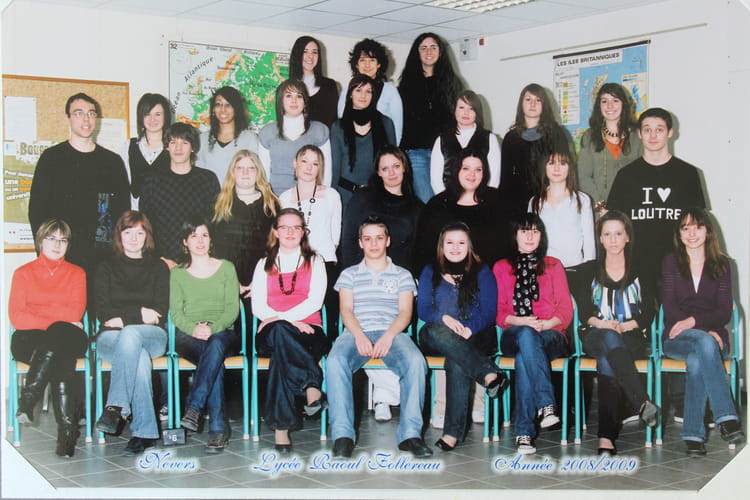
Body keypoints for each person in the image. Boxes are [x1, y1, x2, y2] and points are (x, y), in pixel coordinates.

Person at [327, 216, 431, 459]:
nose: (373, 244)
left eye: (379, 238)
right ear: (360, 242)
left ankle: (410, 435)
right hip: (356, 331)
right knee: (335, 361)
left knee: (416, 362)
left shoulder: (402, 275)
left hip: (393, 331)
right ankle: (343, 436)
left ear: (388, 241)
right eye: (368, 239)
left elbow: (405, 313)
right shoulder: (349, 274)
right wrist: (359, 335)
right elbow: (346, 311)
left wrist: (388, 336)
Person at [571, 210, 658, 455]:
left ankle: (606, 437)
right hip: (596, 333)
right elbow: (584, 312)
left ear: (627, 237)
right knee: (609, 338)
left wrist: (625, 326)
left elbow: (648, 313)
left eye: (618, 234)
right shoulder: (589, 270)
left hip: (631, 335)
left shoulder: (642, 270)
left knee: (608, 360)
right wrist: (603, 324)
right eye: (607, 234)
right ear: (600, 239)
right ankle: (640, 399)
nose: (613, 240)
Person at [661, 208, 745, 456]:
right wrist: (704, 330)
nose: (691, 233)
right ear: (679, 234)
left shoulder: (723, 264)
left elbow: (724, 312)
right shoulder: (671, 261)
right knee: (704, 343)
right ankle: (727, 418)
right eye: (685, 228)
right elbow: (670, 309)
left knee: (698, 358)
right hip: (677, 338)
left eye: (697, 227)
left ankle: (693, 436)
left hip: (714, 339)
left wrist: (696, 322)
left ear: (708, 231)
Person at [417, 222, 508, 451]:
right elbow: (423, 310)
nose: (455, 248)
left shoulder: (482, 271)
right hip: (438, 334)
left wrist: (469, 328)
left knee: (456, 359)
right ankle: (488, 372)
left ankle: (452, 433)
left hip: (474, 335)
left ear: (469, 246)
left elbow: (489, 311)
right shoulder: (430, 270)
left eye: (461, 243)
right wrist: (444, 318)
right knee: (432, 330)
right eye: (450, 242)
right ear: (442, 245)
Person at [492, 213, 573, 455]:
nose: (530, 236)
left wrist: (545, 325)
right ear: (514, 235)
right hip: (514, 332)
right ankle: (546, 404)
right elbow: (498, 311)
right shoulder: (501, 267)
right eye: (524, 231)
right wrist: (521, 321)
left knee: (524, 356)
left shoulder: (554, 265)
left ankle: (524, 434)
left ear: (542, 236)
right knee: (526, 335)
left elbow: (565, 310)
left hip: (551, 334)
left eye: (535, 231)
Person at [251, 208, 330, 452]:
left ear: (303, 232)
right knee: (281, 334)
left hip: (309, 332)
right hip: (272, 332)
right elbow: (258, 306)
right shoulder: (263, 263)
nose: (290, 232)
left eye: (296, 227)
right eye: (284, 227)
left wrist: (282, 320)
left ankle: (281, 430)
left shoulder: (315, 261)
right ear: (275, 232)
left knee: (281, 354)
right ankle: (311, 385)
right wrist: (288, 322)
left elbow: (315, 301)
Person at [28, 93, 130, 279]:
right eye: (78, 113)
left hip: (103, 262)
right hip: (62, 258)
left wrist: (119, 258)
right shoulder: (52, 159)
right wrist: (47, 256)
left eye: (91, 113)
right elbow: (37, 211)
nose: (86, 119)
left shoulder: (112, 162)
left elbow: (123, 214)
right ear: (67, 118)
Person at [9, 219, 88, 457]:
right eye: (51, 238)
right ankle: (67, 431)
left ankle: (28, 399)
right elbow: (18, 318)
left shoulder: (77, 273)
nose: (57, 244)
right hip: (30, 340)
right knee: (58, 349)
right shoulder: (23, 273)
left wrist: (40, 316)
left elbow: (74, 313)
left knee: (58, 339)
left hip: (69, 337)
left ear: (68, 245)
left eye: (63, 240)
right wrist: (57, 319)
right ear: (40, 241)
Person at [94, 211, 169, 455]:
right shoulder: (105, 267)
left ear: (147, 236)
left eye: (139, 232)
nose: (134, 238)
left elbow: (159, 311)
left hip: (152, 336)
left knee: (130, 334)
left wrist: (124, 318)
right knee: (138, 358)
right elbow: (103, 311)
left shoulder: (158, 267)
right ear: (119, 235)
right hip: (111, 339)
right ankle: (144, 433)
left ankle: (115, 407)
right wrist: (139, 313)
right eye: (128, 232)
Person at [606, 107, 707, 291]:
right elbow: (614, 223)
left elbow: (699, 223)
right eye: (647, 130)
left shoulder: (688, 174)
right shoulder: (625, 175)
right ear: (639, 134)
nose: (653, 135)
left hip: (678, 264)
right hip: (635, 265)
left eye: (659, 129)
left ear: (670, 133)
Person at [172, 217, 240, 453]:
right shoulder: (178, 274)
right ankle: (218, 430)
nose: (200, 241)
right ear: (185, 242)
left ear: (211, 239)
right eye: (193, 236)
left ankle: (194, 408)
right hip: (189, 335)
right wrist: (194, 328)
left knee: (215, 345)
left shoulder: (227, 268)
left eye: (204, 235)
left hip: (223, 332)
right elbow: (175, 314)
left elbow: (232, 310)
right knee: (213, 358)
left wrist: (213, 328)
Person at [278, 145, 341, 335]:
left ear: (320, 168)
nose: (308, 167)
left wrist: (318, 261)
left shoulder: (332, 195)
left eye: (315, 163)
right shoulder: (284, 198)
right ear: (295, 163)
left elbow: (335, 236)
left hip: (325, 262)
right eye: (304, 161)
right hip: (295, 265)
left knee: (329, 316)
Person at [212, 150, 279, 326]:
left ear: (258, 172)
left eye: (251, 168)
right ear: (232, 172)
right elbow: (213, 248)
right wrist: (230, 281)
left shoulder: (271, 204)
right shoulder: (218, 204)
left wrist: (262, 281)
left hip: (263, 280)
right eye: (240, 168)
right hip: (226, 281)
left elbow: (278, 248)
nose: (245, 173)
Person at [140, 122, 220, 267]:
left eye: (184, 143)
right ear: (167, 147)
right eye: (173, 142)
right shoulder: (152, 181)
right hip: (162, 262)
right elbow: (146, 225)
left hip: (199, 261)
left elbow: (214, 223)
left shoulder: (207, 179)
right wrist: (160, 259)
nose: (178, 148)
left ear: (193, 148)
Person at [416, 148, 505, 273]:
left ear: (484, 173)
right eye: (466, 168)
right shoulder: (437, 205)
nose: (472, 174)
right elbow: (424, 250)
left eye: (478, 169)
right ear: (456, 170)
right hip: (446, 277)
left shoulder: (497, 201)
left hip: (488, 277)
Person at [399, 32, 464, 203]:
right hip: (416, 152)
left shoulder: (453, 83)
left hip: (445, 151)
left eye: (433, 47)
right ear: (417, 53)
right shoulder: (407, 84)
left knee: (448, 198)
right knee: (426, 200)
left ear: (440, 52)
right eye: (424, 48)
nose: (429, 52)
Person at [341, 145, 423, 271]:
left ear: (404, 167)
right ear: (378, 173)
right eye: (385, 169)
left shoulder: (416, 208)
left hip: (398, 277)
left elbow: (415, 253)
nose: (391, 173)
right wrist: (353, 275)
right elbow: (348, 241)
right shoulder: (363, 197)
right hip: (360, 275)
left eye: (396, 166)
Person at [498, 83, 568, 223]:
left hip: (549, 200)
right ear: (521, 104)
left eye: (538, 100)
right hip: (518, 204)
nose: (532, 104)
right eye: (528, 99)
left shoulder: (556, 134)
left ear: (544, 105)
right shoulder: (511, 138)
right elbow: (505, 179)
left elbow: (565, 170)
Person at [529, 146, 595, 287]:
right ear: (544, 167)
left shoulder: (582, 200)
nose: (557, 168)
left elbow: (589, 241)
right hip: (544, 270)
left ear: (570, 167)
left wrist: (589, 271)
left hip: (575, 270)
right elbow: (530, 239)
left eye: (563, 163)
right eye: (551, 163)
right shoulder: (535, 202)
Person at [331, 74, 397, 208]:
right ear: (350, 94)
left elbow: (393, 163)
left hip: (378, 195)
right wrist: (332, 198)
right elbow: (335, 168)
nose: (363, 95)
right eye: (358, 90)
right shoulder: (338, 127)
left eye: (368, 91)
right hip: (346, 197)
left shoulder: (386, 123)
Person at [577, 83, 642, 214]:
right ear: (599, 106)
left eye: (615, 100)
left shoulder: (638, 136)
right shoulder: (589, 137)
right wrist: (600, 207)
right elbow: (583, 176)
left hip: (632, 211)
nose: (610, 106)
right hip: (600, 212)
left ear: (624, 104)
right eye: (604, 101)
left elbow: (643, 175)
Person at [258, 79, 332, 193]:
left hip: (310, 196)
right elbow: (263, 174)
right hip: (276, 197)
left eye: (299, 96)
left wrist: (321, 196)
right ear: (280, 101)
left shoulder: (319, 131)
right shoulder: (267, 132)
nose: (294, 100)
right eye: (288, 96)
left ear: (305, 102)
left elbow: (325, 172)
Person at [430, 90, 500, 194]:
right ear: (454, 110)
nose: (466, 112)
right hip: (449, 199)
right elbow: (436, 181)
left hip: (480, 199)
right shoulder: (442, 139)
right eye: (461, 107)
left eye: (471, 108)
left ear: (477, 112)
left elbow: (494, 179)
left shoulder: (490, 138)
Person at [337, 38, 403, 143]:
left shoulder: (389, 90)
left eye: (372, 60)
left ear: (379, 64)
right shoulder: (346, 92)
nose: (367, 65)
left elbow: (397, 129)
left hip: (383, 148)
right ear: (356, 64)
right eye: (362, 60)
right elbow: (341, 127)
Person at [119, 93, 171, 208]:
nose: (152, 119)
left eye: (157, 114)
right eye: (147, 114)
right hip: (136, 213)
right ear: (141, 117)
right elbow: (122, 184)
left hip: (166, 213)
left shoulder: (174, 147)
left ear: (165, 116)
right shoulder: (129, 146)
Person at [197, 86, 259, 182]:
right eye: (218, 104)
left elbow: (256, 175)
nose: (223, 109)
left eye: (228, 105)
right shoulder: (202, 139)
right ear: (213, 109)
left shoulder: (250, 139)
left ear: (236, 109)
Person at [289, 36, 339, 128]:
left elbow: (333, 121)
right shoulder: (287, 87)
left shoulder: (329, 86)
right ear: (297, 54)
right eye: (305, 51)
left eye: (314, 52)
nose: (310, 56)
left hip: (323, 136)